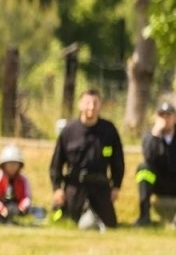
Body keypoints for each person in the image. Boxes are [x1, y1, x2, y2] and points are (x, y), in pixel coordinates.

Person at [49, 90, 124, 230]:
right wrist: (57, 188)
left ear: (100, 106)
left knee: (110, 224)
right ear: (80, 105)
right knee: (71, 221)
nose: (91, 107)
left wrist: (116, 186)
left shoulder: (109, 130)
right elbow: (56, 163)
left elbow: (118, 161)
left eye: (95, 103)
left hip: (100, 186)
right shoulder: (69, 131)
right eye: (87, 103)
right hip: (75, 185)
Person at [134, 99, 176, 227]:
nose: (165, 119)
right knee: (143, 169)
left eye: (168, 115)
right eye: (161, 115)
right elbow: (148, 156)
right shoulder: (149, 135)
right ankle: (144, 216)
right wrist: (156, 134)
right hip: (157, 182)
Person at [0, 145, 35, 222]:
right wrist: (1, 209)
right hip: (0, 207)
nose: (12, 166)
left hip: (16, 207)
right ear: (3, 165)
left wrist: (22, 207)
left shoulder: (23, 179)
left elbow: (27, 197)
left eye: (15, 164)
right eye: (10, 164)